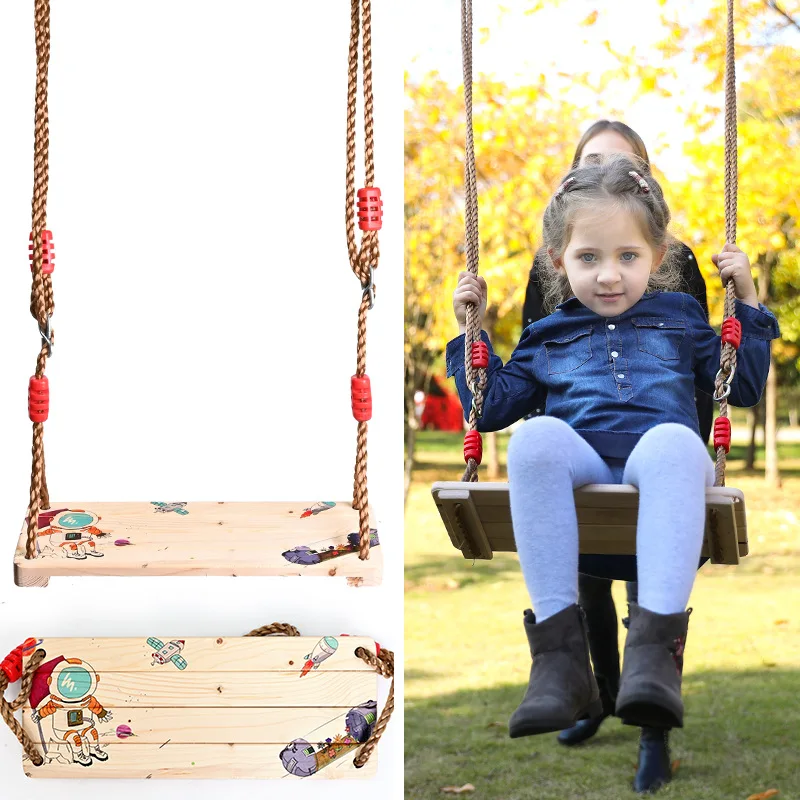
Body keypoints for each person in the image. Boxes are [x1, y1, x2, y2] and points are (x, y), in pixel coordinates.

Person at [446, 154, 779, 792]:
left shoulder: (682, 321)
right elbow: (489, 408)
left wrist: (749, 300)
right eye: (588, 258)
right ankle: (558, 663)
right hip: (586, 464)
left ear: (658, 257)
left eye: (628, 256)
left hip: (661, 473)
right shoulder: (546, 334)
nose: (608, 275)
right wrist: (473, 332)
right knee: (537, 437)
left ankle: (654, 661)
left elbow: (744, 386)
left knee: (674, 446)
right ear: (556, 260)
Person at [521, 120, 714, 793]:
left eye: (624, 164)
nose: (608, 171)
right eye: (593, 161)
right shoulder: (557, 255)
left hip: (655, 440)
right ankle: (590, 693)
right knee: (586, 583)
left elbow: (700, 367)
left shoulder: (675, 261)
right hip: (576, 442)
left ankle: (651, 727)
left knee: (644, 579)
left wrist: (690, 449)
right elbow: (530, 357)